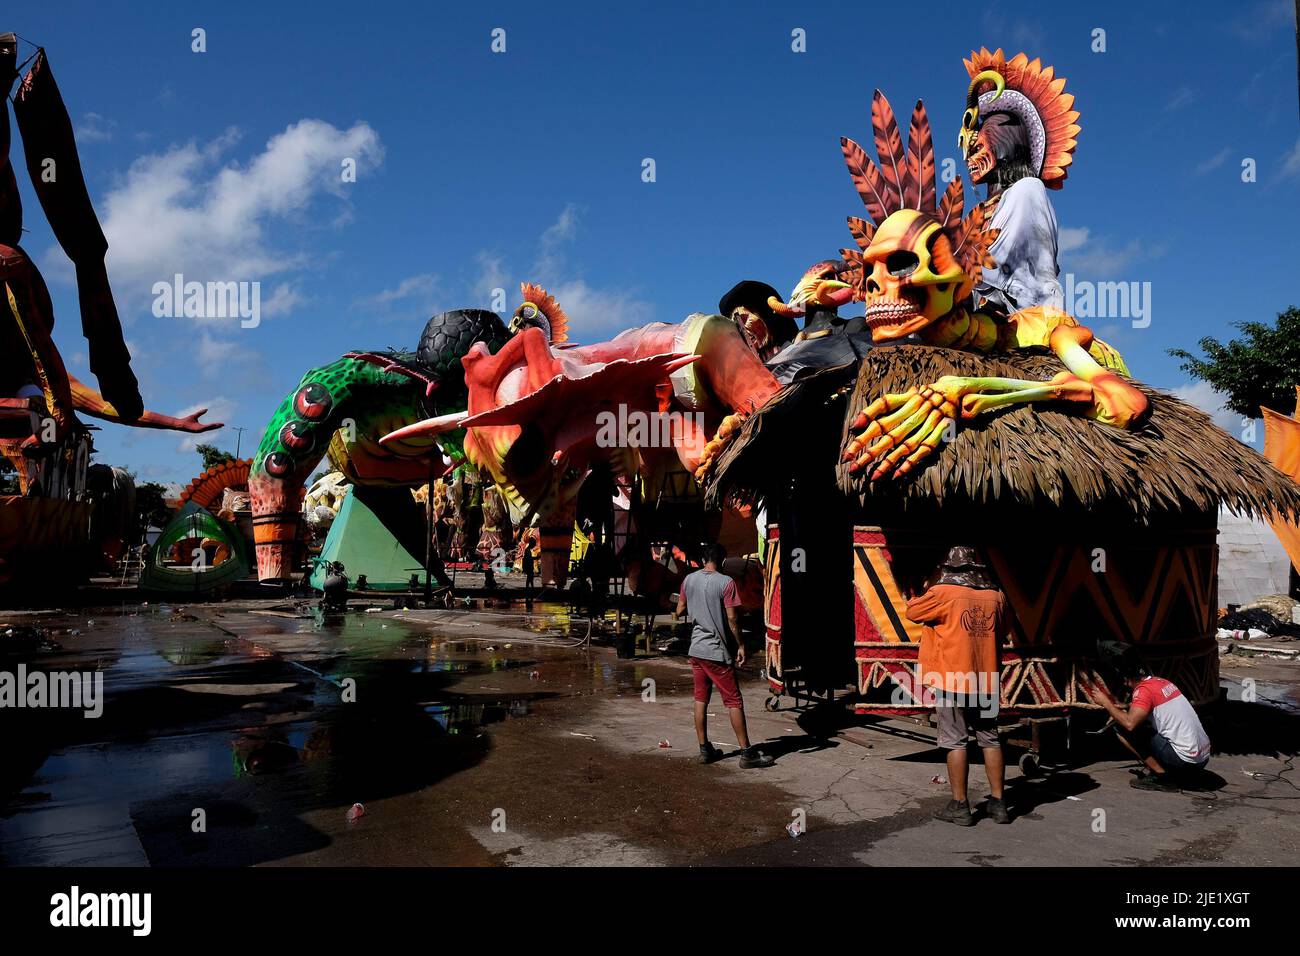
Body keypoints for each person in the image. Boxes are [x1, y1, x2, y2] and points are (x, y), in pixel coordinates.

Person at [905, 546, 1011, 825]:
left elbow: (912, 612)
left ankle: (960, 805)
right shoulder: (996, 595)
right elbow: (1005, 629)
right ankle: (999, 804)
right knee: (990, 738)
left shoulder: (943, 593)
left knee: (955, 741)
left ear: (949, 569)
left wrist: (928, 585)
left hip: (953, 678)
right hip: (986, 679)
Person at [674, 543, 774, 769]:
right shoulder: (726, 583)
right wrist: (741, 644)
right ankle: (747, 754)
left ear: (702, 560)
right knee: (733, 701)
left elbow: (679, 610)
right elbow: (733, 619)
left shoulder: (689, 580)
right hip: (716, 651)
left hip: (696, 650)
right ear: (722, 561)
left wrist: (694, 605)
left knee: (700, 699)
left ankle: (704, 749)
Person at [1095, 646, 1211, 790]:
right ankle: (1176, 771)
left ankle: (1162, 777)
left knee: (1121, 727)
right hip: (1203, 759)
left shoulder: (1143, 691)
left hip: (1186, 761)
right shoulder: (1161, 682)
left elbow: (1129, 723)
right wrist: (1123, 706)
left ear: (1126, 679)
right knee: (1142, 724)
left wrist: (1106, 703)